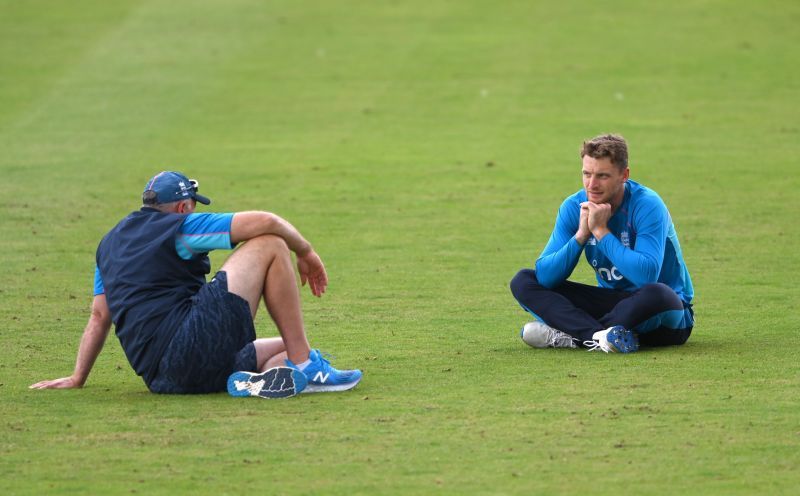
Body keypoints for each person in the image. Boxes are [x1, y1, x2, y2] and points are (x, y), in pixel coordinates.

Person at [30, 171, 362, 398]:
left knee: (286, 345)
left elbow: (100, 317)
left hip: (162, 379)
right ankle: (306, 365)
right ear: (182, 207)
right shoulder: (180, 225)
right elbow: (267, 221)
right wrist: (306, 252)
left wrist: (77, 378)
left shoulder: (108, 245)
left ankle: (261, 379)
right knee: (271, 243)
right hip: (188, 345)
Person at [510, 134, 694, 353]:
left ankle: (575, 335)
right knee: (524, 280)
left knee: (658, 293)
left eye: (602, 176)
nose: (592, 184)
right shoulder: (574, 206)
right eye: (586, 174)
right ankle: (599, 337)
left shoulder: (647, 204)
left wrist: (600, 231)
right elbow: (546, 276)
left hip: (663, 313)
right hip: (613, 307)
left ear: (624, 175)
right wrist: (580, 236)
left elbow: (646, 275)